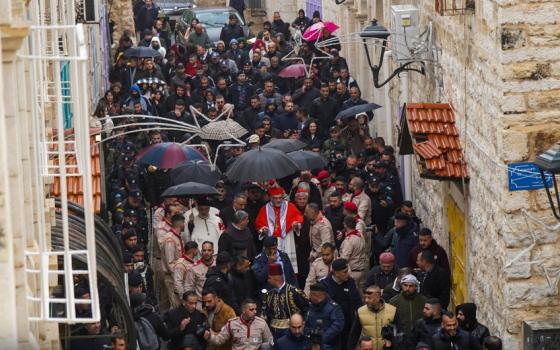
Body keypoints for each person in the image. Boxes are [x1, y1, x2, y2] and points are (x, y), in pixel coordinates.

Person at [255, 186, 303, 274]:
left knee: (288, 268)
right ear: (270, 198)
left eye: (280, 198)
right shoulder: (264, 209)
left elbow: (298, 217)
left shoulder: (290, 206)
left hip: (287, 237)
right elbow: (259, 224)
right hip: (271, 239)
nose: (278, 200)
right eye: (275, 198)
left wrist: (296, 224)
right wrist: (263, 229)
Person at [320, 258, 363, 344]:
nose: (348, 274)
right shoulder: (324, 285)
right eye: (345, 272)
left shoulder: (351, 282)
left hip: (348, 324)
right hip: (332, 326)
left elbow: (357, 301)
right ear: (336, 273)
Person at [262, 262, 309, 340]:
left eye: (269, 278)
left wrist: (301, 327)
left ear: (275, 278)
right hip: (274, 333)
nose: (268, 281)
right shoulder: (269, 294)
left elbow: (306, 309)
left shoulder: (294, 292)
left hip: (291, 332)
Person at [204, 298, 274, 350]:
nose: (255, 312)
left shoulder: (261, 323)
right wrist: (210, 337)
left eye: (255, 309)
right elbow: (219, 340)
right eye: (251, 310)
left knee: (266, 346)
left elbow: (270, 342)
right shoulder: (232, 323)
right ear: (243, 310)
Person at [347, 285, 397, 350]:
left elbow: (398, 335)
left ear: (378, 297)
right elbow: (354, 335)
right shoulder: (361, 311)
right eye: (365, 298)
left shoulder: (392, 311)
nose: (366, 300)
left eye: (369, 298)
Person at [305, 283, 345, 350]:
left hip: (329, 345)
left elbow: (338, 325)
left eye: (311, 295)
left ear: (316, 296)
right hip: (311, 344)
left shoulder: (334, 308)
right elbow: (306, 323)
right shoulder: (310, 306)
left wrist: (321, 340)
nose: (309, 297)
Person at [339, 216, 368, 290]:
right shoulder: (360, 234)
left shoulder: (349, 240)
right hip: (361, 270)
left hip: (353, 272)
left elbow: (344, 259)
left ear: (345, 225)